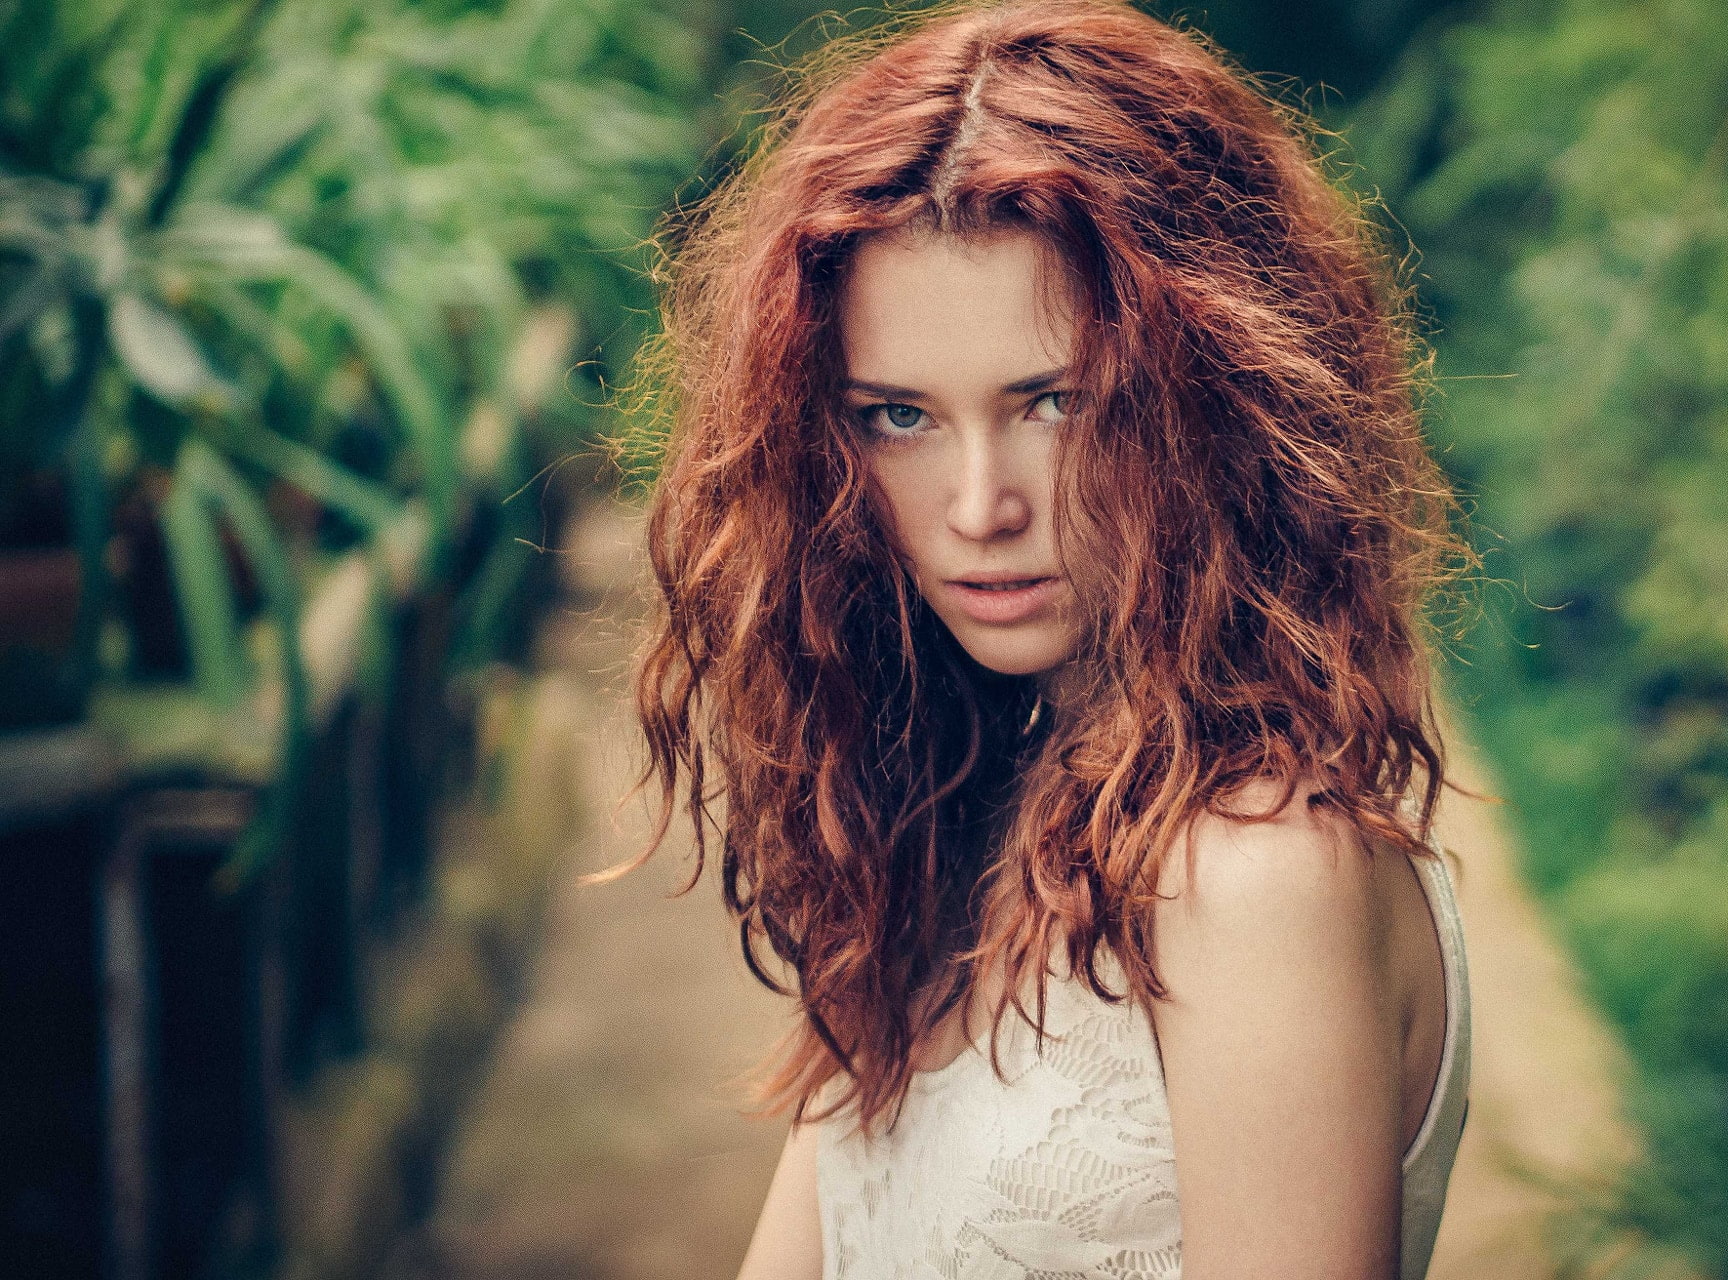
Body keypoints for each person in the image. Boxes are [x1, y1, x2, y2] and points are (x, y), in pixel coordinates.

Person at [620, 1, 1479, 1275]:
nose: (980, 509)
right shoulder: (963, 813)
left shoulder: (1255, 876)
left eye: (1056, 401)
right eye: (897, 415)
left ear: (1224, 394)